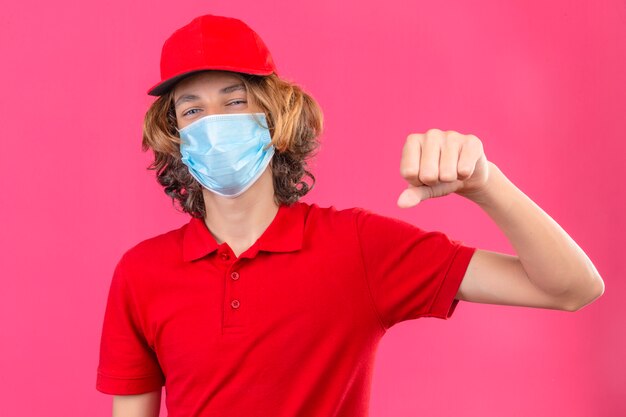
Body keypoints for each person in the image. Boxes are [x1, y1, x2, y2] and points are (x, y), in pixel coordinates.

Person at [96, 14, 604, 417]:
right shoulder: (141, 273)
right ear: (175, 135)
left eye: (236, 101)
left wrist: (487, 185)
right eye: (192, 110)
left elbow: (570, 288)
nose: (215, 123)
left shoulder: (356, 246)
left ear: (276, 116)